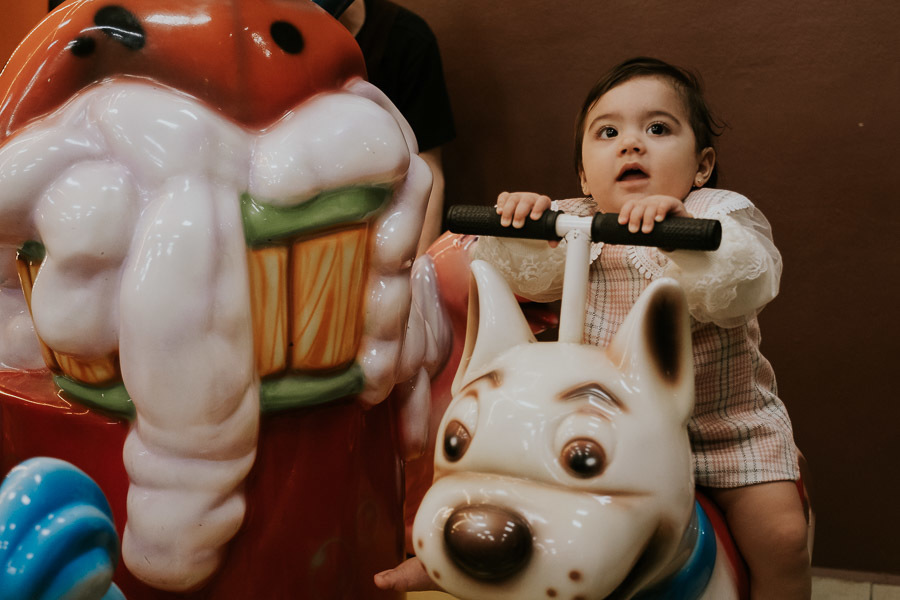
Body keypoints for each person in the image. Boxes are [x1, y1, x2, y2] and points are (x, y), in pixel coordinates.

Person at [375, 57, 811, 599]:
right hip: (598, 429)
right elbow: (523, 277)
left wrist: (681, 239)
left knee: (783, 537)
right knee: (507, 476)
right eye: (608, 132)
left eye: (657, 128)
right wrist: (524, 230)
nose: (632, 144)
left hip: (724, 428)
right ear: (584, 173)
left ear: (702, 165)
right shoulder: (574, 219)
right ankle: (448, 563)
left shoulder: (716, 213)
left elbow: (744, 277)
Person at [340, 0, 456, 255]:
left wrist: (416, 270)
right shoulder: (272, 39)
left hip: (384, 228)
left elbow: (427, 167)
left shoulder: (406, 37)